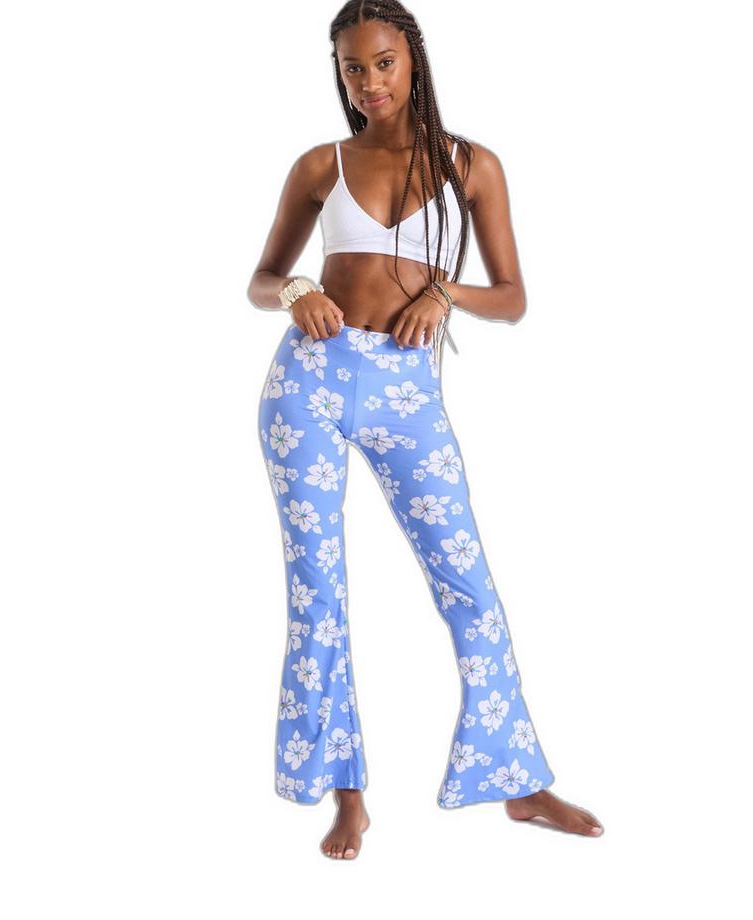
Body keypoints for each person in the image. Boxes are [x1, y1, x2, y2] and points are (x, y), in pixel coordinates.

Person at [248, 0, 604, 859]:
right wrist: (296, 290)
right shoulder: (320, 165)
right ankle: (347, 796)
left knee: (467, 584)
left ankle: (517, 780)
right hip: (310, 381)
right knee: (319, 590)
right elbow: (261, 278)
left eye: (382, 62)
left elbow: (512, 298)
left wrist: (447, 294)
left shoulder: (468, 165)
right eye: (352, 68)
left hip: (406, 391)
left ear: (412, 58)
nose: (369, 81)